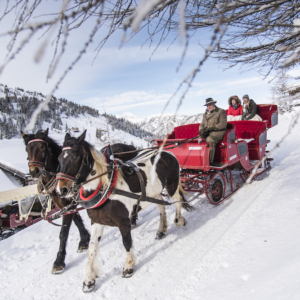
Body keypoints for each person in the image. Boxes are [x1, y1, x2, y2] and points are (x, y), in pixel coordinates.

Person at [199, 98, 227, 164]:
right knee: (199, 139)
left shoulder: (221, 111)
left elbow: (223, 124)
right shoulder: (205, 114)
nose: (209, 106)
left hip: (218, 132)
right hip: (208, 132)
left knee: (209, 139)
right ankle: (199, 160)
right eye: (207, 105)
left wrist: (212, 128)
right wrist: (201, 130)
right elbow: (202, 124)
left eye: (210, 104)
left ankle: (209, 162)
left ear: (214, 104)